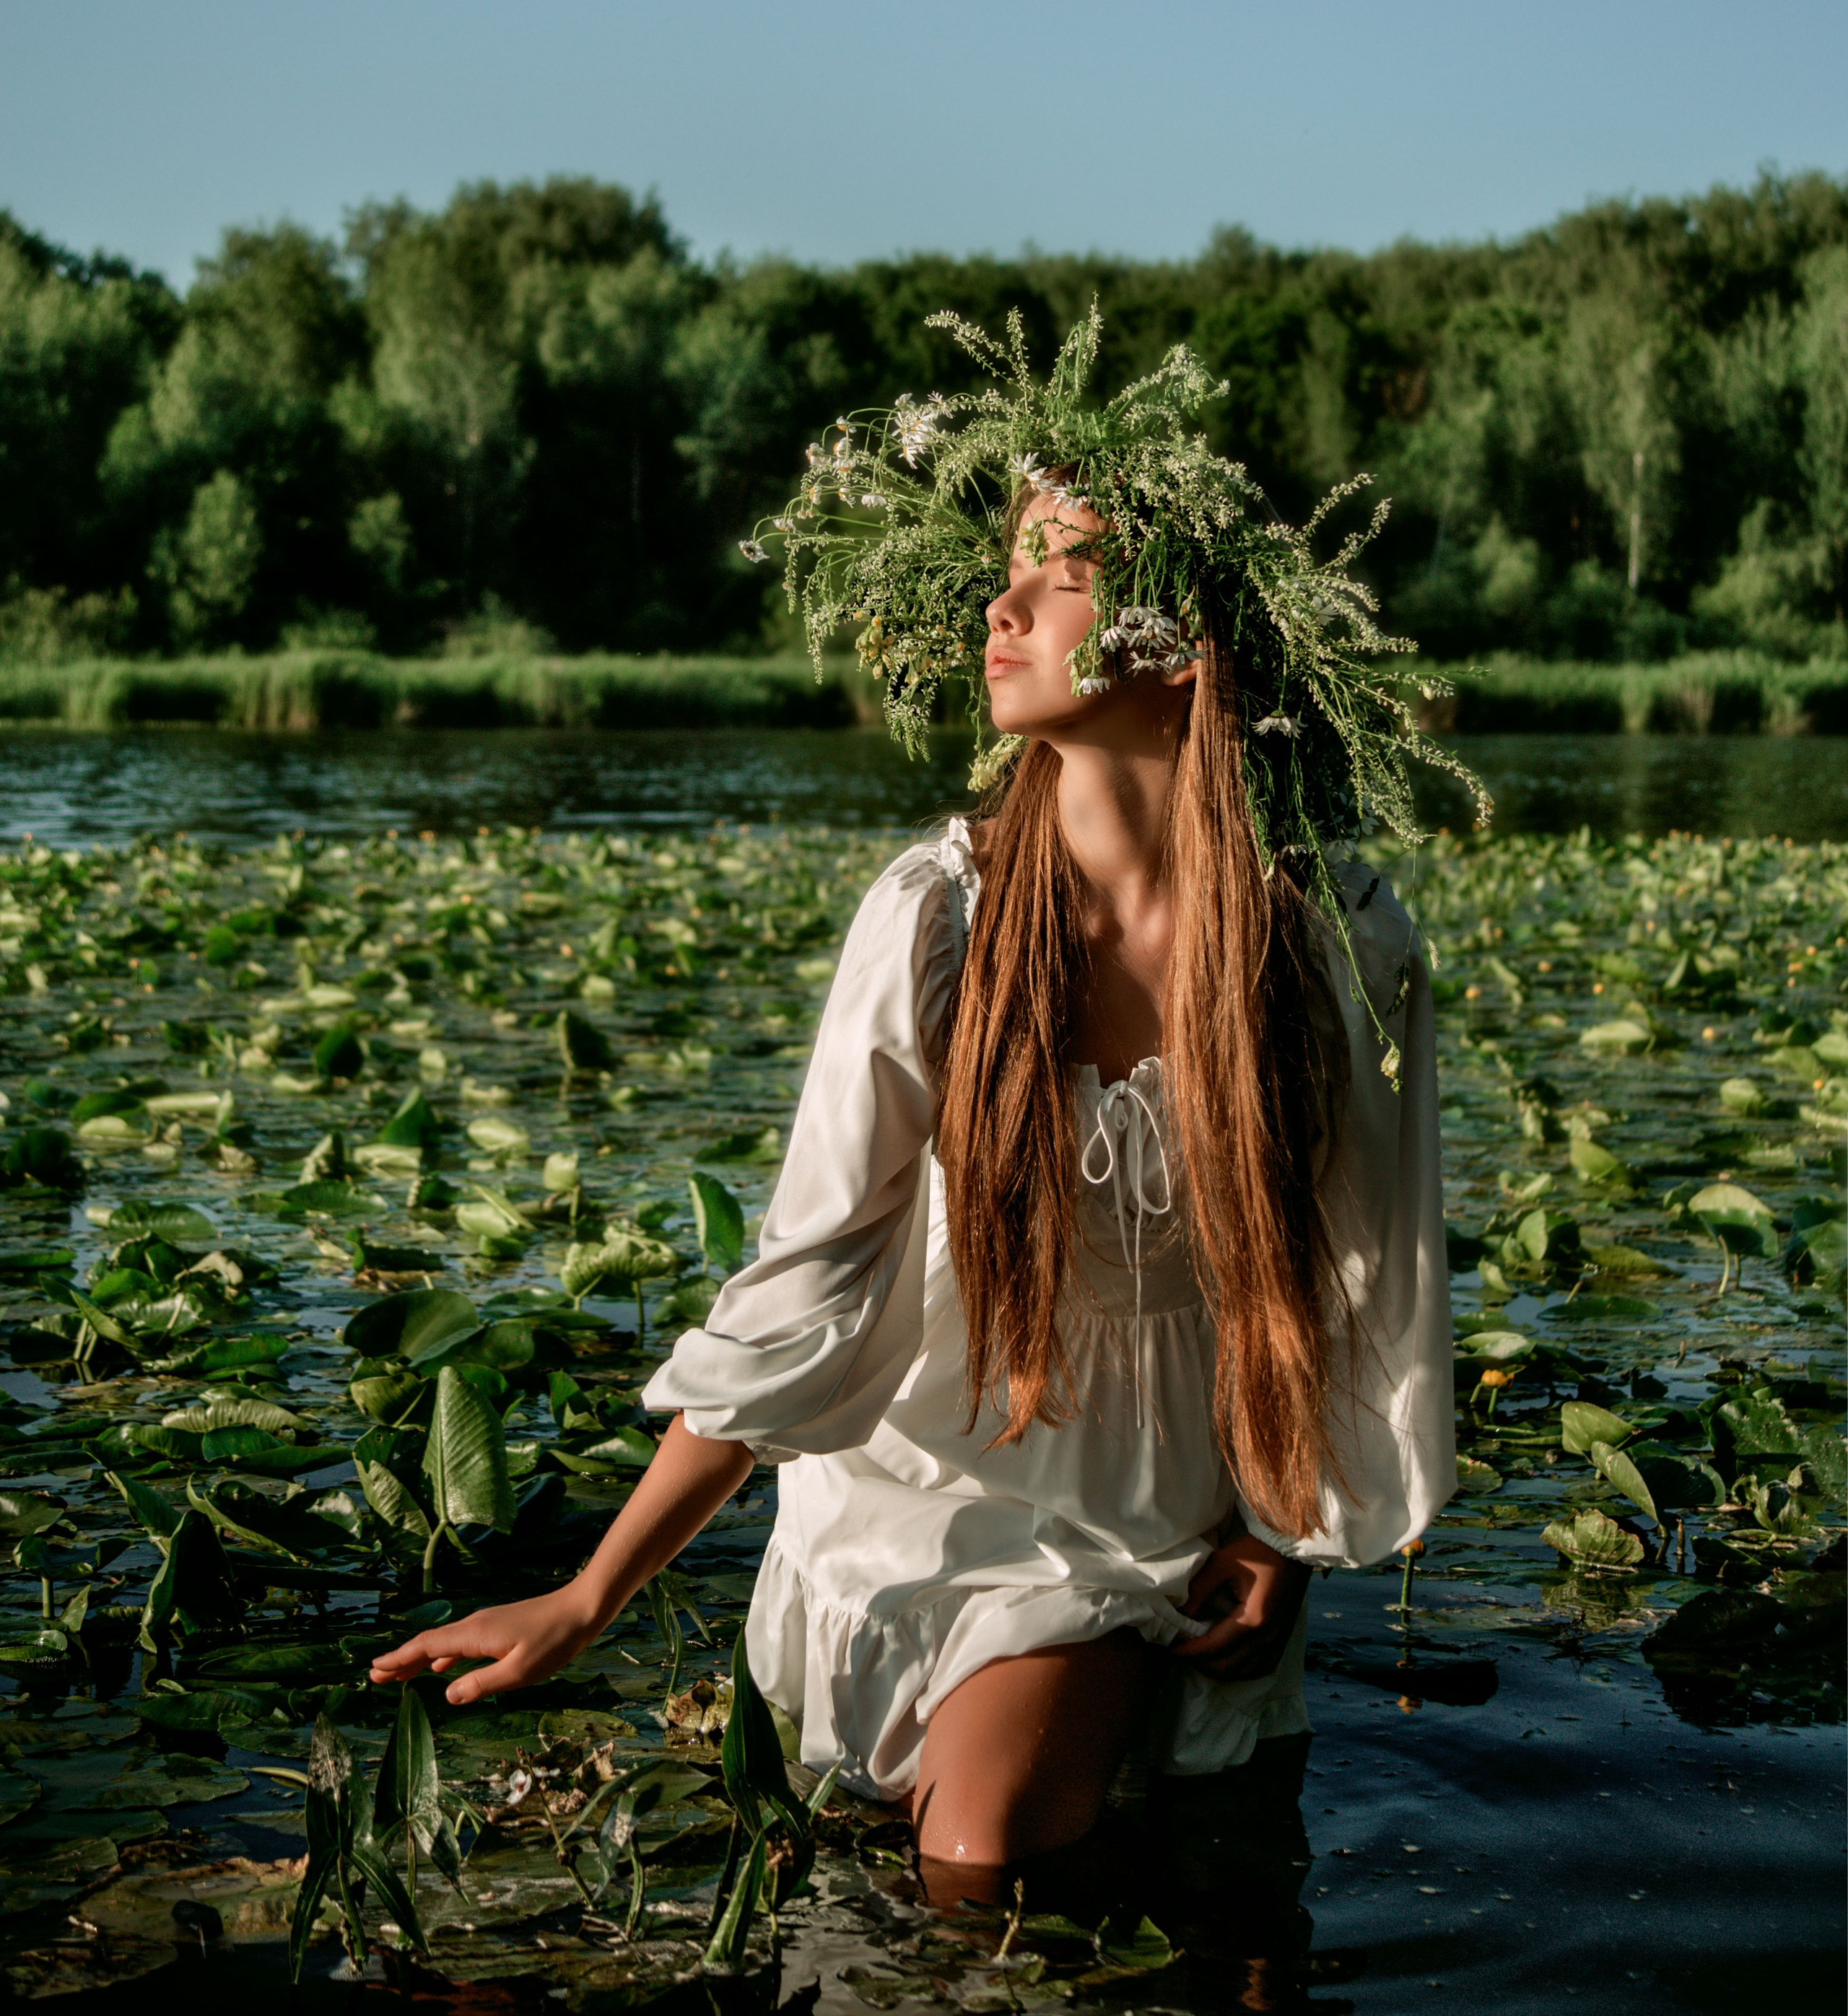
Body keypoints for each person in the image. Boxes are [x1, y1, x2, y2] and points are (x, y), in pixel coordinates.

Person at [371, 307, 1468, 1899]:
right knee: (968, 1868)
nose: (1000, 602)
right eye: (1005, 565)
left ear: (1184, 641)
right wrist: (589, 1594)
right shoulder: (939, 922)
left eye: (1058, 573)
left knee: (986, 1853)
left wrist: (1285, 1542)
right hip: (940, 1485)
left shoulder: (1327, 940)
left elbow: (1348, 1273)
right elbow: (803, 1287)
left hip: (1174, 1502)